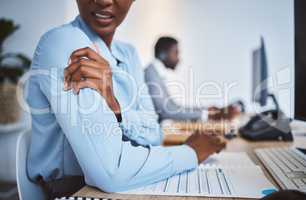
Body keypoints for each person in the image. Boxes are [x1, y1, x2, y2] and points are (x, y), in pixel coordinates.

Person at [26, 0, 226, 199]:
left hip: (121, 185)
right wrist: (190, 153)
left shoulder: (128, 54)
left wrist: (117, 110)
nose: (104, 0)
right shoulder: (64, 43)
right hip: (74, 190)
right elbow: (112, 171)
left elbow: (155, 134)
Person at [145, 37, 240, 122]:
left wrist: (206, 110)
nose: (179, 59)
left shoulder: (155, 72)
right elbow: (166, 112)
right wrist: (209, 115)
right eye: (176, 53)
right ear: (163, 54)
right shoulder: (151, 74)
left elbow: (173, 107)